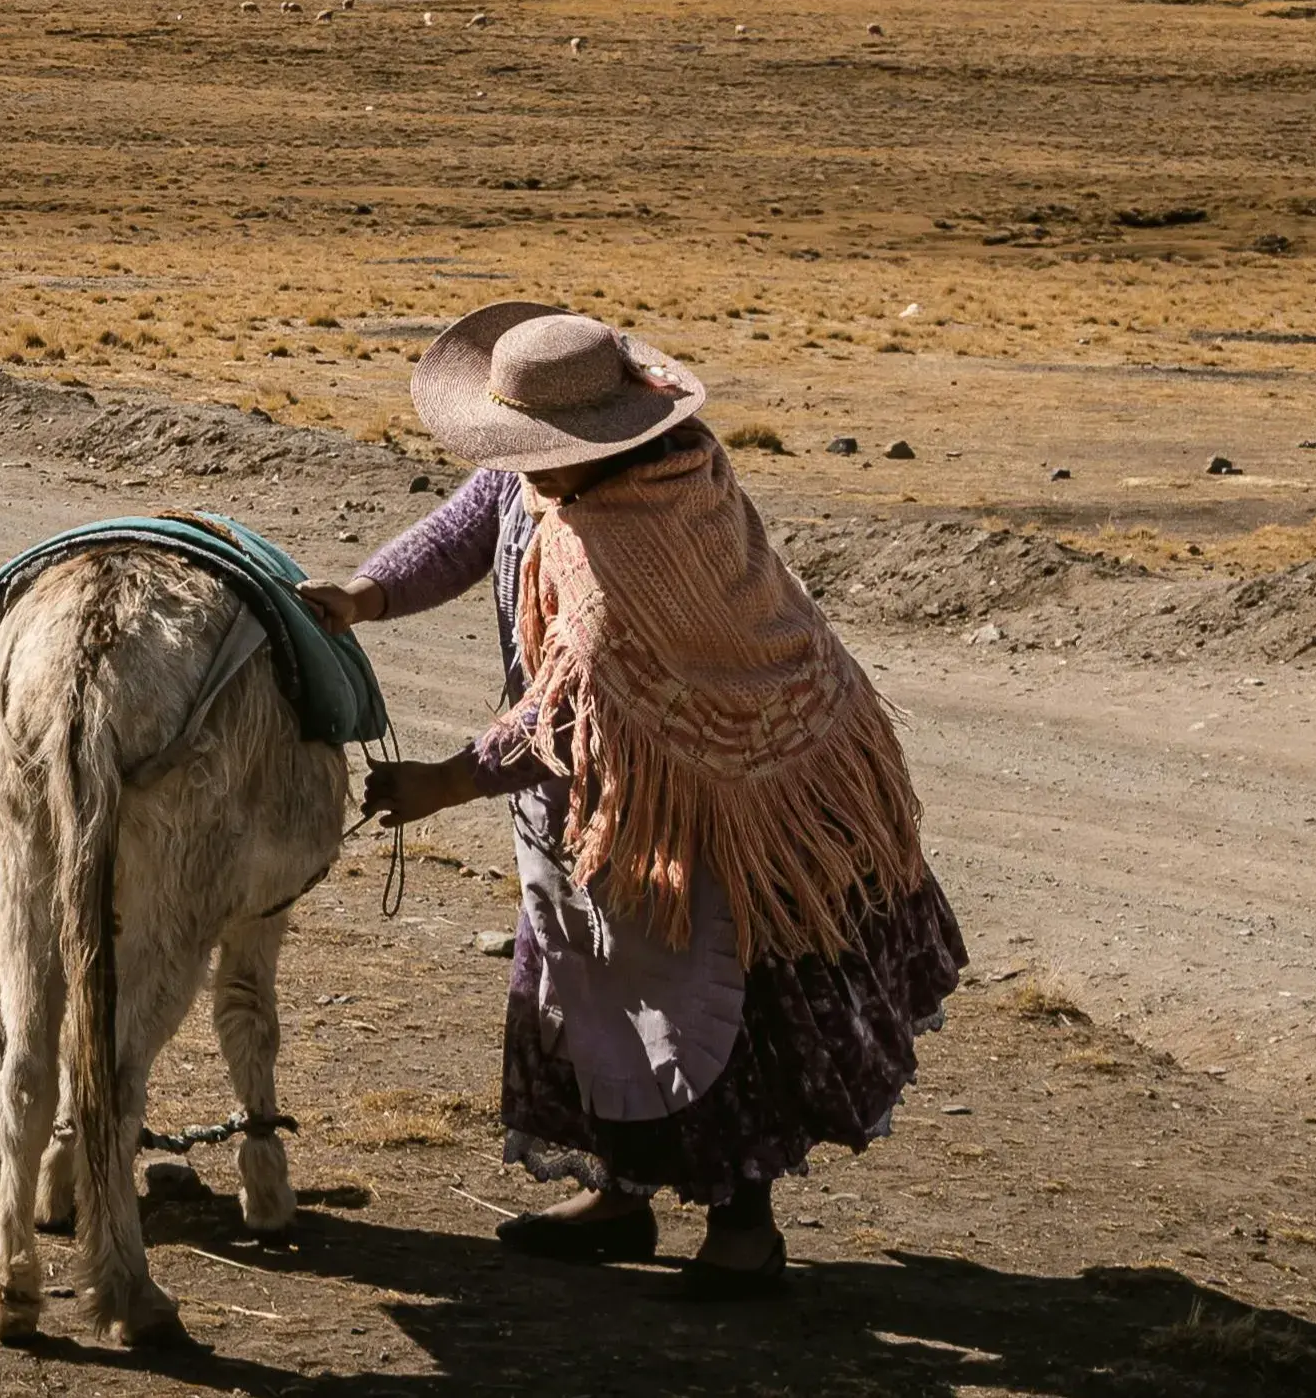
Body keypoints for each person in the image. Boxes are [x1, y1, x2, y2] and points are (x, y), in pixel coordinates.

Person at [292, 302, 966, 1300]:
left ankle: (745, 1228)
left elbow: (569, 712)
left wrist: (443, 782)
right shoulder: (553, 479)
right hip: (600, 796)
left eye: (530, 451)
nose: (517, 468)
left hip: (714, 796)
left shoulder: (647, 529)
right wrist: (364, 594)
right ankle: (620, 1192)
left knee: (707, 993)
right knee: (592, 985)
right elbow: (471, 522)